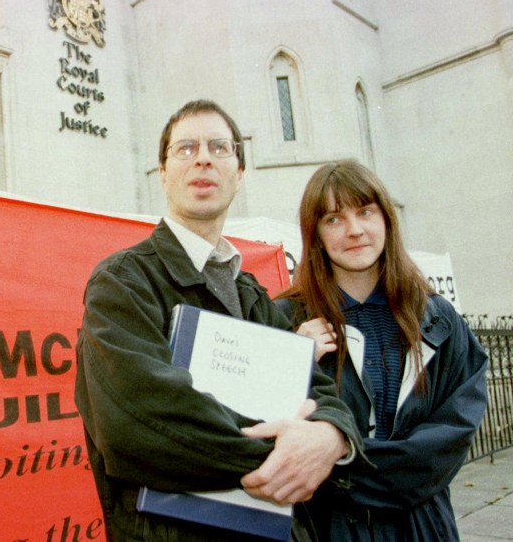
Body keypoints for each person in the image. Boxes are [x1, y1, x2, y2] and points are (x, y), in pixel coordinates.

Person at [75, 100, 368, 542]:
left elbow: (317, 387)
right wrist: (294, 452)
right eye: (185, 148)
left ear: (239, 174)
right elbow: (138, 422)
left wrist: (331, 436)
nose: (204, 157)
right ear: (163, 174)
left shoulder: (250, 292)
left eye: (220, 147)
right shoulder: (123, 283)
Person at [274, 159, 488, 541]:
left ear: (386, 219)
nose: (354, 231)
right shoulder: (285, 320)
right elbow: (264, 430)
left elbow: (449, 439)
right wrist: (291, 363)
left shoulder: (437, 319)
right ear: (316, 234)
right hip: (328, 529)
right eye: (333, 219)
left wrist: (339, 465)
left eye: (365, 212)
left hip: (422, 526)